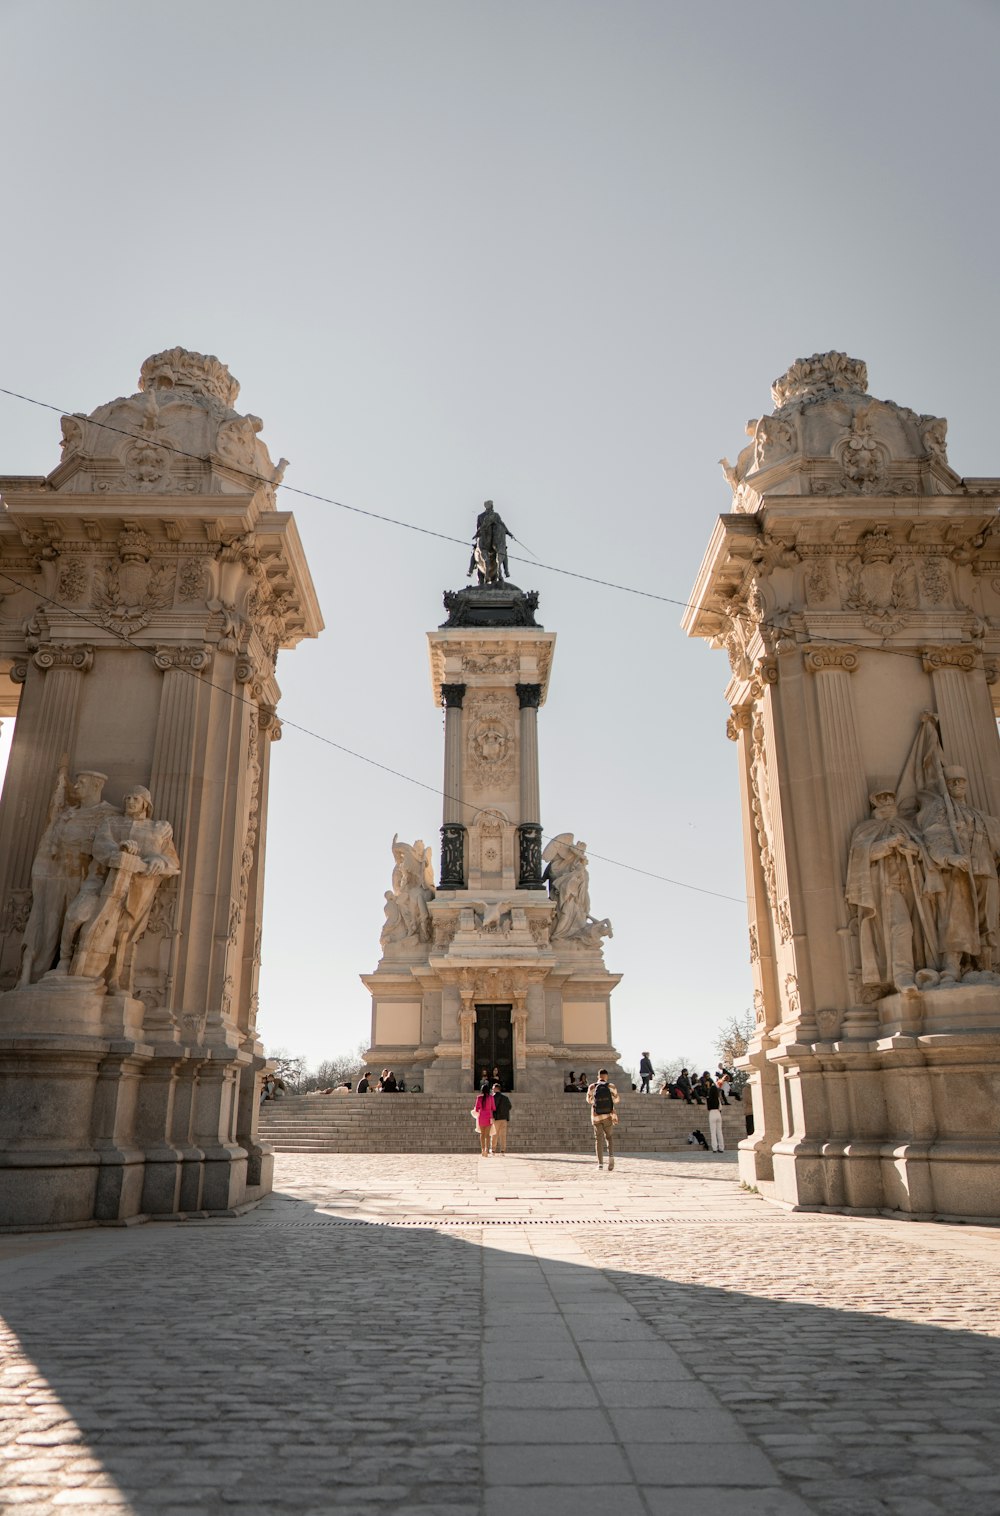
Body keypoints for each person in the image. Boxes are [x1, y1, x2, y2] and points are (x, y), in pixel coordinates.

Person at [587, 1068, 619, 1171]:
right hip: (608, 1115)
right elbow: (617, 1100)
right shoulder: (611, 1086)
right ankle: (611, 1156)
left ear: (598, 1076)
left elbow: (589, 1100)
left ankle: (600, 1164)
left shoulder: (592, 1086)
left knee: (598, 1139)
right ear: (607, 1076)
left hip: (596, 1116)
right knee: (609, 1137)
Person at [473, 1081, 495, 1156]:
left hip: (481, 1117)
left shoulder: (479, 1098)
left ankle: (482, 1149)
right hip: (489, 1116)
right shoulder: (491, 1097)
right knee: (487, 1135)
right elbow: (493, 1108)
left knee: (482, 1134)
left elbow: (476, 1109)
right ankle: (486, 1149)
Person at [490, 1083, 511, 1154]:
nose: (492, 1090)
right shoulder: (505, 1098)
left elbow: (492, 1108)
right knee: (503, 1135)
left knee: (494, 1134)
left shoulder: (492, 1097)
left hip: (496, 1118)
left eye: (493, 1088)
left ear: (496, 1089)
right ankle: (503, 1150)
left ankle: (493, 1149)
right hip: (504, 1118)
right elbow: (509, 1107)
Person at [706, 1078, 725, 1152]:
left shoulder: (709, 1098)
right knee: (719, 1132)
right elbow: (720, 1107)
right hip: (718, 1113)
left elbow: (708, 1107)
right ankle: (721, 1147)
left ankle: (714, 1148)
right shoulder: (718, 1098)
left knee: (713, 1132)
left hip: (712, 1113)